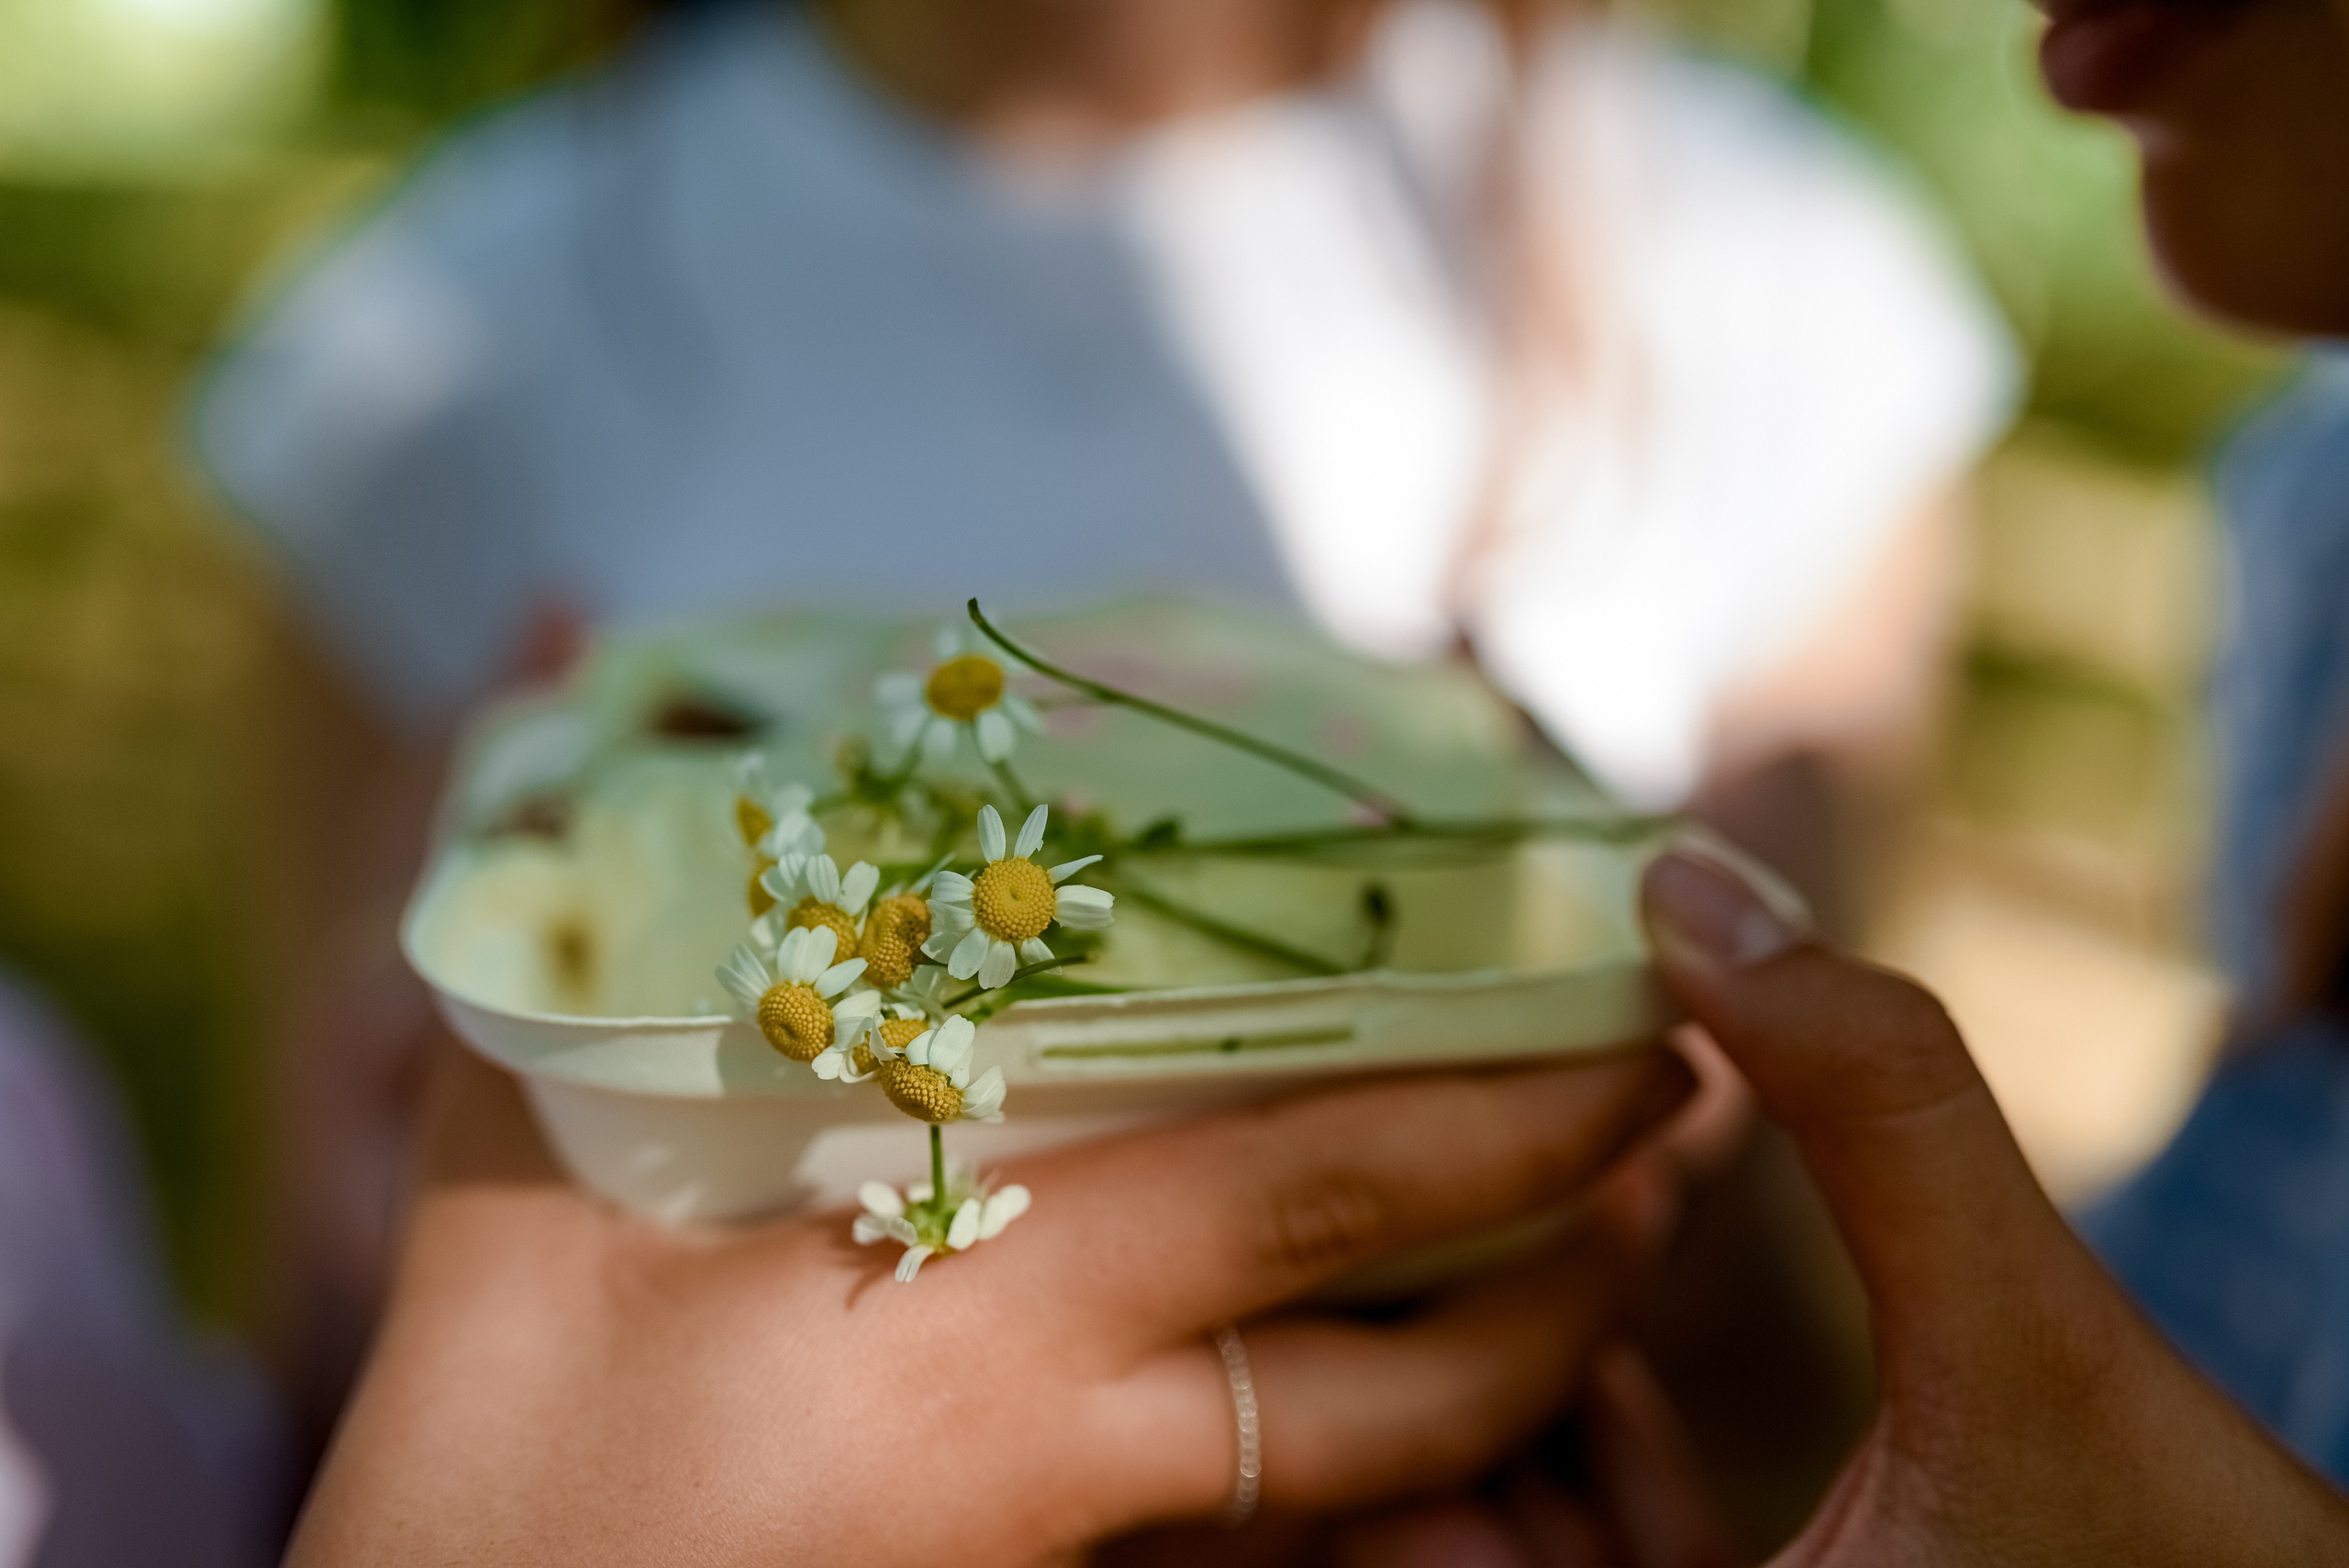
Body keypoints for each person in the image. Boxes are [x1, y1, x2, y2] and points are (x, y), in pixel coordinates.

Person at [190, 0, 2013, 1471]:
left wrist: (1645, 1151)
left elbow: (1791, 1338)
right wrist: (421, 1229)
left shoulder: (1774, 283)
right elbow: (324, 1378)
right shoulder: (435, 354)